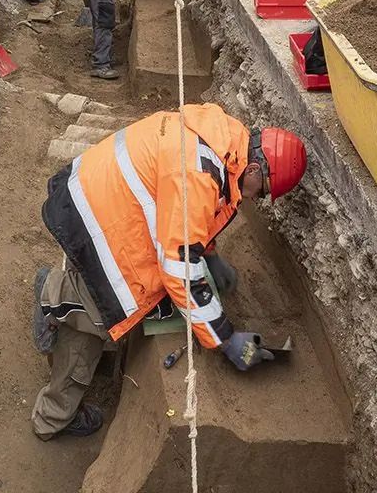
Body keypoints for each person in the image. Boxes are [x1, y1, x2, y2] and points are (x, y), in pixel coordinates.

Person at [30, 105, 308, 440]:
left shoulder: (224, 139)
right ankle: (53, 408)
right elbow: (179, 267)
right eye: (261, 191)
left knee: (128, 301)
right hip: (99, 220)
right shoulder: (199, 174)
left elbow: (190, 213)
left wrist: (210, 253)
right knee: (100, 315)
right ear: (252, 170)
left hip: (98, 194)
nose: (256, 198)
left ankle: (64, 298)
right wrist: (224, 338)